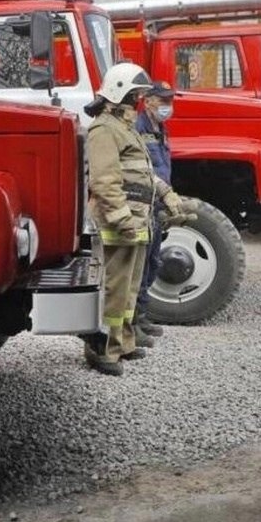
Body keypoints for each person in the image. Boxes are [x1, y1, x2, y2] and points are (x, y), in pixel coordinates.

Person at [82, 63, 194, 376]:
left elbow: (143, 173)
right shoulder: (104, 129)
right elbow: (104, 180)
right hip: (119, 223)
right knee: (114, 289)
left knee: (129, 290)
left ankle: (124, 343)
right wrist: (121, 219)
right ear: (121, 93)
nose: (140, 102)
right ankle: (102, 349)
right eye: (136, 96)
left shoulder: (126, 127)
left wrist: (169, 196)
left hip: (137, 220)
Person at [132, 81, 182, 345]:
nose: (167, 106)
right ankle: (134, 323)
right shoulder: (137, 128)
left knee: (153, 263)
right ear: (147, 100)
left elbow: (163, 166)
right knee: (139, 265)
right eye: (162, 101)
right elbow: (141, 169)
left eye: (169, 101)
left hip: (159, 203)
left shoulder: (160, 128)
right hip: (145, 202)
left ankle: (142, 317)